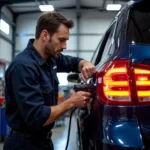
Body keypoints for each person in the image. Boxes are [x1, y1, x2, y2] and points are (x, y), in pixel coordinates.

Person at [3, 12, 96, 150]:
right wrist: (71, 102)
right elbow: (37, 117)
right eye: (62, 40)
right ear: (45, 35)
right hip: (24, 144)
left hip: (43, 141)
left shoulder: (50, 58)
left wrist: (85, 63)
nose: (64, 46)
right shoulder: (23, 66)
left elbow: (72, 62)